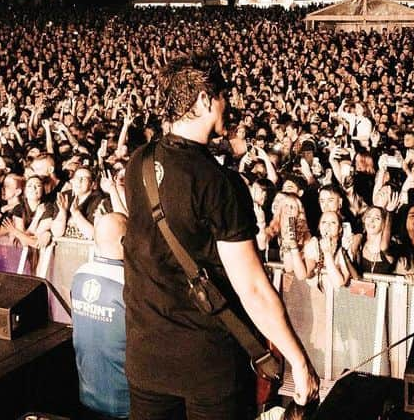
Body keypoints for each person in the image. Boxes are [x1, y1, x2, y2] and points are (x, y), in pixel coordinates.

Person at [123, 51, 318, 419]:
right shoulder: (219, 183)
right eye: (222, 95)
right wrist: (298, 359)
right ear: (203, 100)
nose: (228, 105)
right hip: (207, 367)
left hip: (145, 356)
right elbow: (253, 289)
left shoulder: (140, 162)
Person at [71, 212, 130, 420]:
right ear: (124, 240)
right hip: (125, 402)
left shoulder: (79, 275)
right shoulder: (130, 285)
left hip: (87, 395)